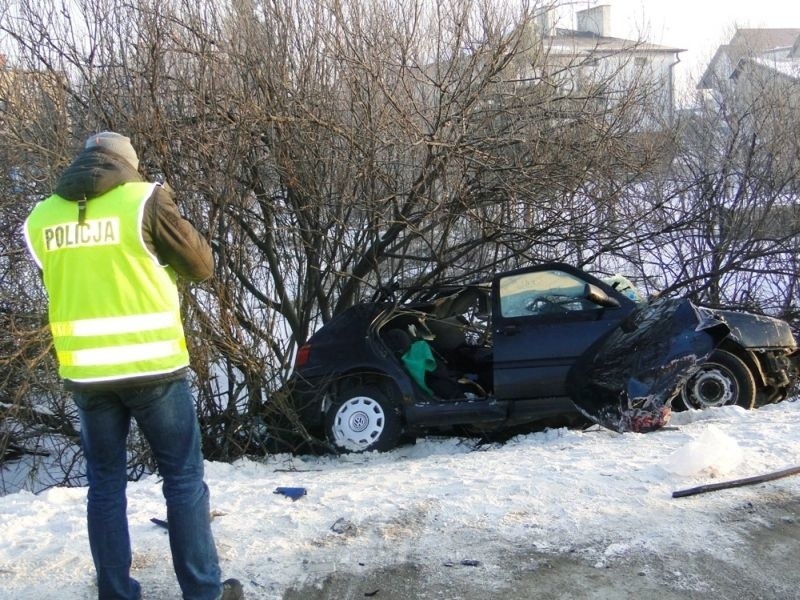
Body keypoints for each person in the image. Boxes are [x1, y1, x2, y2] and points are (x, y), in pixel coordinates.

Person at [23, 132, 243, 600]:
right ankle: (204, 592)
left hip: (87, 376)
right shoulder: (146, 199)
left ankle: (117, 593)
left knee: (105, 485)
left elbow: (63, 279)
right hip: (152, 367)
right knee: (183, 480)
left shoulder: (41, 218)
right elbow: (201, 266)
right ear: (128, 166)